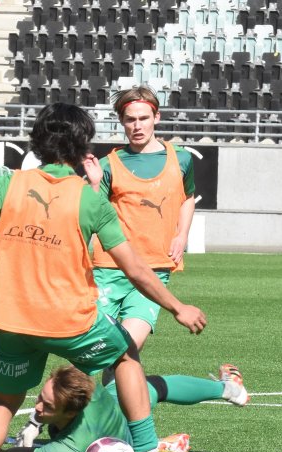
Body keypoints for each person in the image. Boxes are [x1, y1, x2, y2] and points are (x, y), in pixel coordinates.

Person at [0, 102, 207, 452]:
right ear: (82, 146)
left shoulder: (9, 183)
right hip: (68, 318)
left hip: (8, 316)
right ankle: (145, 451)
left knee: (4, 401)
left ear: (36, 142)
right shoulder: (89, 199)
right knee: (125, 354)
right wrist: (177, 307)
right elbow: (136, 269)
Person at [0, 364, 249, 452]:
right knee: (148, 386)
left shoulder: (70, 449)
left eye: (46, 407)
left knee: (145, 385)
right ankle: (227, 388)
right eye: (40, 398)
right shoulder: (85, 387)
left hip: (126, 430)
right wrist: (35, 423)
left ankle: (155, 447)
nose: (37, 407)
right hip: (112, 400)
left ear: (71, 410)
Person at [84, 86, 197, 354]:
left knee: (127, 349)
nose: (137, 126)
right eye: (130, 119)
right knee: (92, 351)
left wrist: (182, 235)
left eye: (144, 118)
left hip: (154, 270)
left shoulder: (182, 159)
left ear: (156, 117)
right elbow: (90, 212)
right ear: (122, 122)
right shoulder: (108, 164)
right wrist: (94, 185)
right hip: (109, 269)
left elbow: (188, 198)